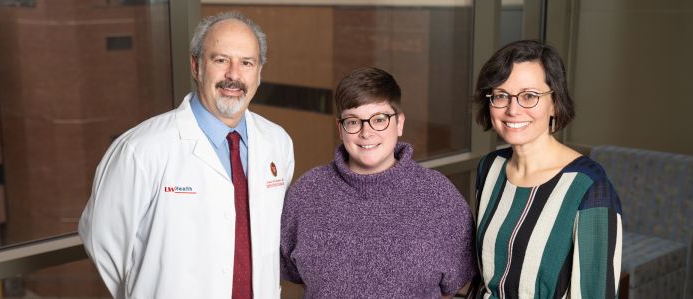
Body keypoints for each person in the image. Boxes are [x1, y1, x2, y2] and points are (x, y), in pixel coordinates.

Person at [78, 11, 294, 299]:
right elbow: (100, 239)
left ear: (259, 72)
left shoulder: (277, 143)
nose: (233, 74)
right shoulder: (142, 148)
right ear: (196, 66)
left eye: (246, 63)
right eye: (220, 60)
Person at [280, 67, 476, 298]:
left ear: (399, 123)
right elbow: (298, 276)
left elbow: (457, 285)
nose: (366, 132)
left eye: (379, 119)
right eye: (353, 121)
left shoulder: (439, 196)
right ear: (340, 129)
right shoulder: (307, 193)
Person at [471, 40, 622, 298]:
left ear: (554, 102)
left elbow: (596, 293)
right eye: (500, 95)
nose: (512, 109)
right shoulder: (490, 167)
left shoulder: (589, 186)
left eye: (529, 96)